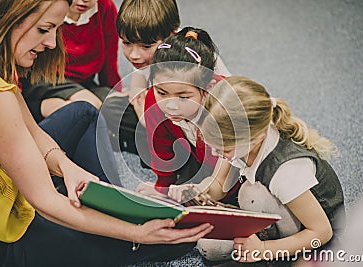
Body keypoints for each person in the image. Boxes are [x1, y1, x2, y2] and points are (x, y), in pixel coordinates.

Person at [0, 1, 213, 266]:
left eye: (56, 29)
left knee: (84, 112)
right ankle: (117, 219)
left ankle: (115, 204)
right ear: (11, 17)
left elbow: (32, 131)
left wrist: (65, 166)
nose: (52, 43)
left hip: (12, 185)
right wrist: (136, 233)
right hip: (3, 237)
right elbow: (43, 200)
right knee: (177, 238)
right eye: (45, 29)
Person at [170, 76, 345, 266]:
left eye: (223, 149)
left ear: (256, 138)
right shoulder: (239, 138)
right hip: (276, 213)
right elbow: (219, 186)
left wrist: (264, 250)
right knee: (209, 247)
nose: (215, 152)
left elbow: (322, 232)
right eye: (213, 145)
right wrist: (195, 192)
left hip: (315, 239)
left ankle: (282, 258)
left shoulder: (286, 171)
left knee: (251, 194)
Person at [103, 0, 231, 162]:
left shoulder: (196, 57)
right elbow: (137, 92)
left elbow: (224, 105)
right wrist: (146, 117)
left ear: (172, 35)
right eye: (127, 43)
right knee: (111, 107)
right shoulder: (144, 60)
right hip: (168, 114)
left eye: (146, 46)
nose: (134, 55)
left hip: (201, 123)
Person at [134, 27, 237, 199]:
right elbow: (160, 145)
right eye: (162, 93)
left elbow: (227, 175)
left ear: (208, 88)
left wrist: (203, 189)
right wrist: (163, 187)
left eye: (183, 97)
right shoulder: (154, 99)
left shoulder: (225, 107)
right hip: (201, 156)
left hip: (243, 164)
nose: (170, 105)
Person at [21, 0, 122, 123]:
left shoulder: (105, 8)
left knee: (120, 108)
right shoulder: (52, 7)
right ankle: (35, 108)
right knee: (88, 106)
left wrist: (114, 89)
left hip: (84, 83)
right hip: (47, 77)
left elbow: (110, 56)